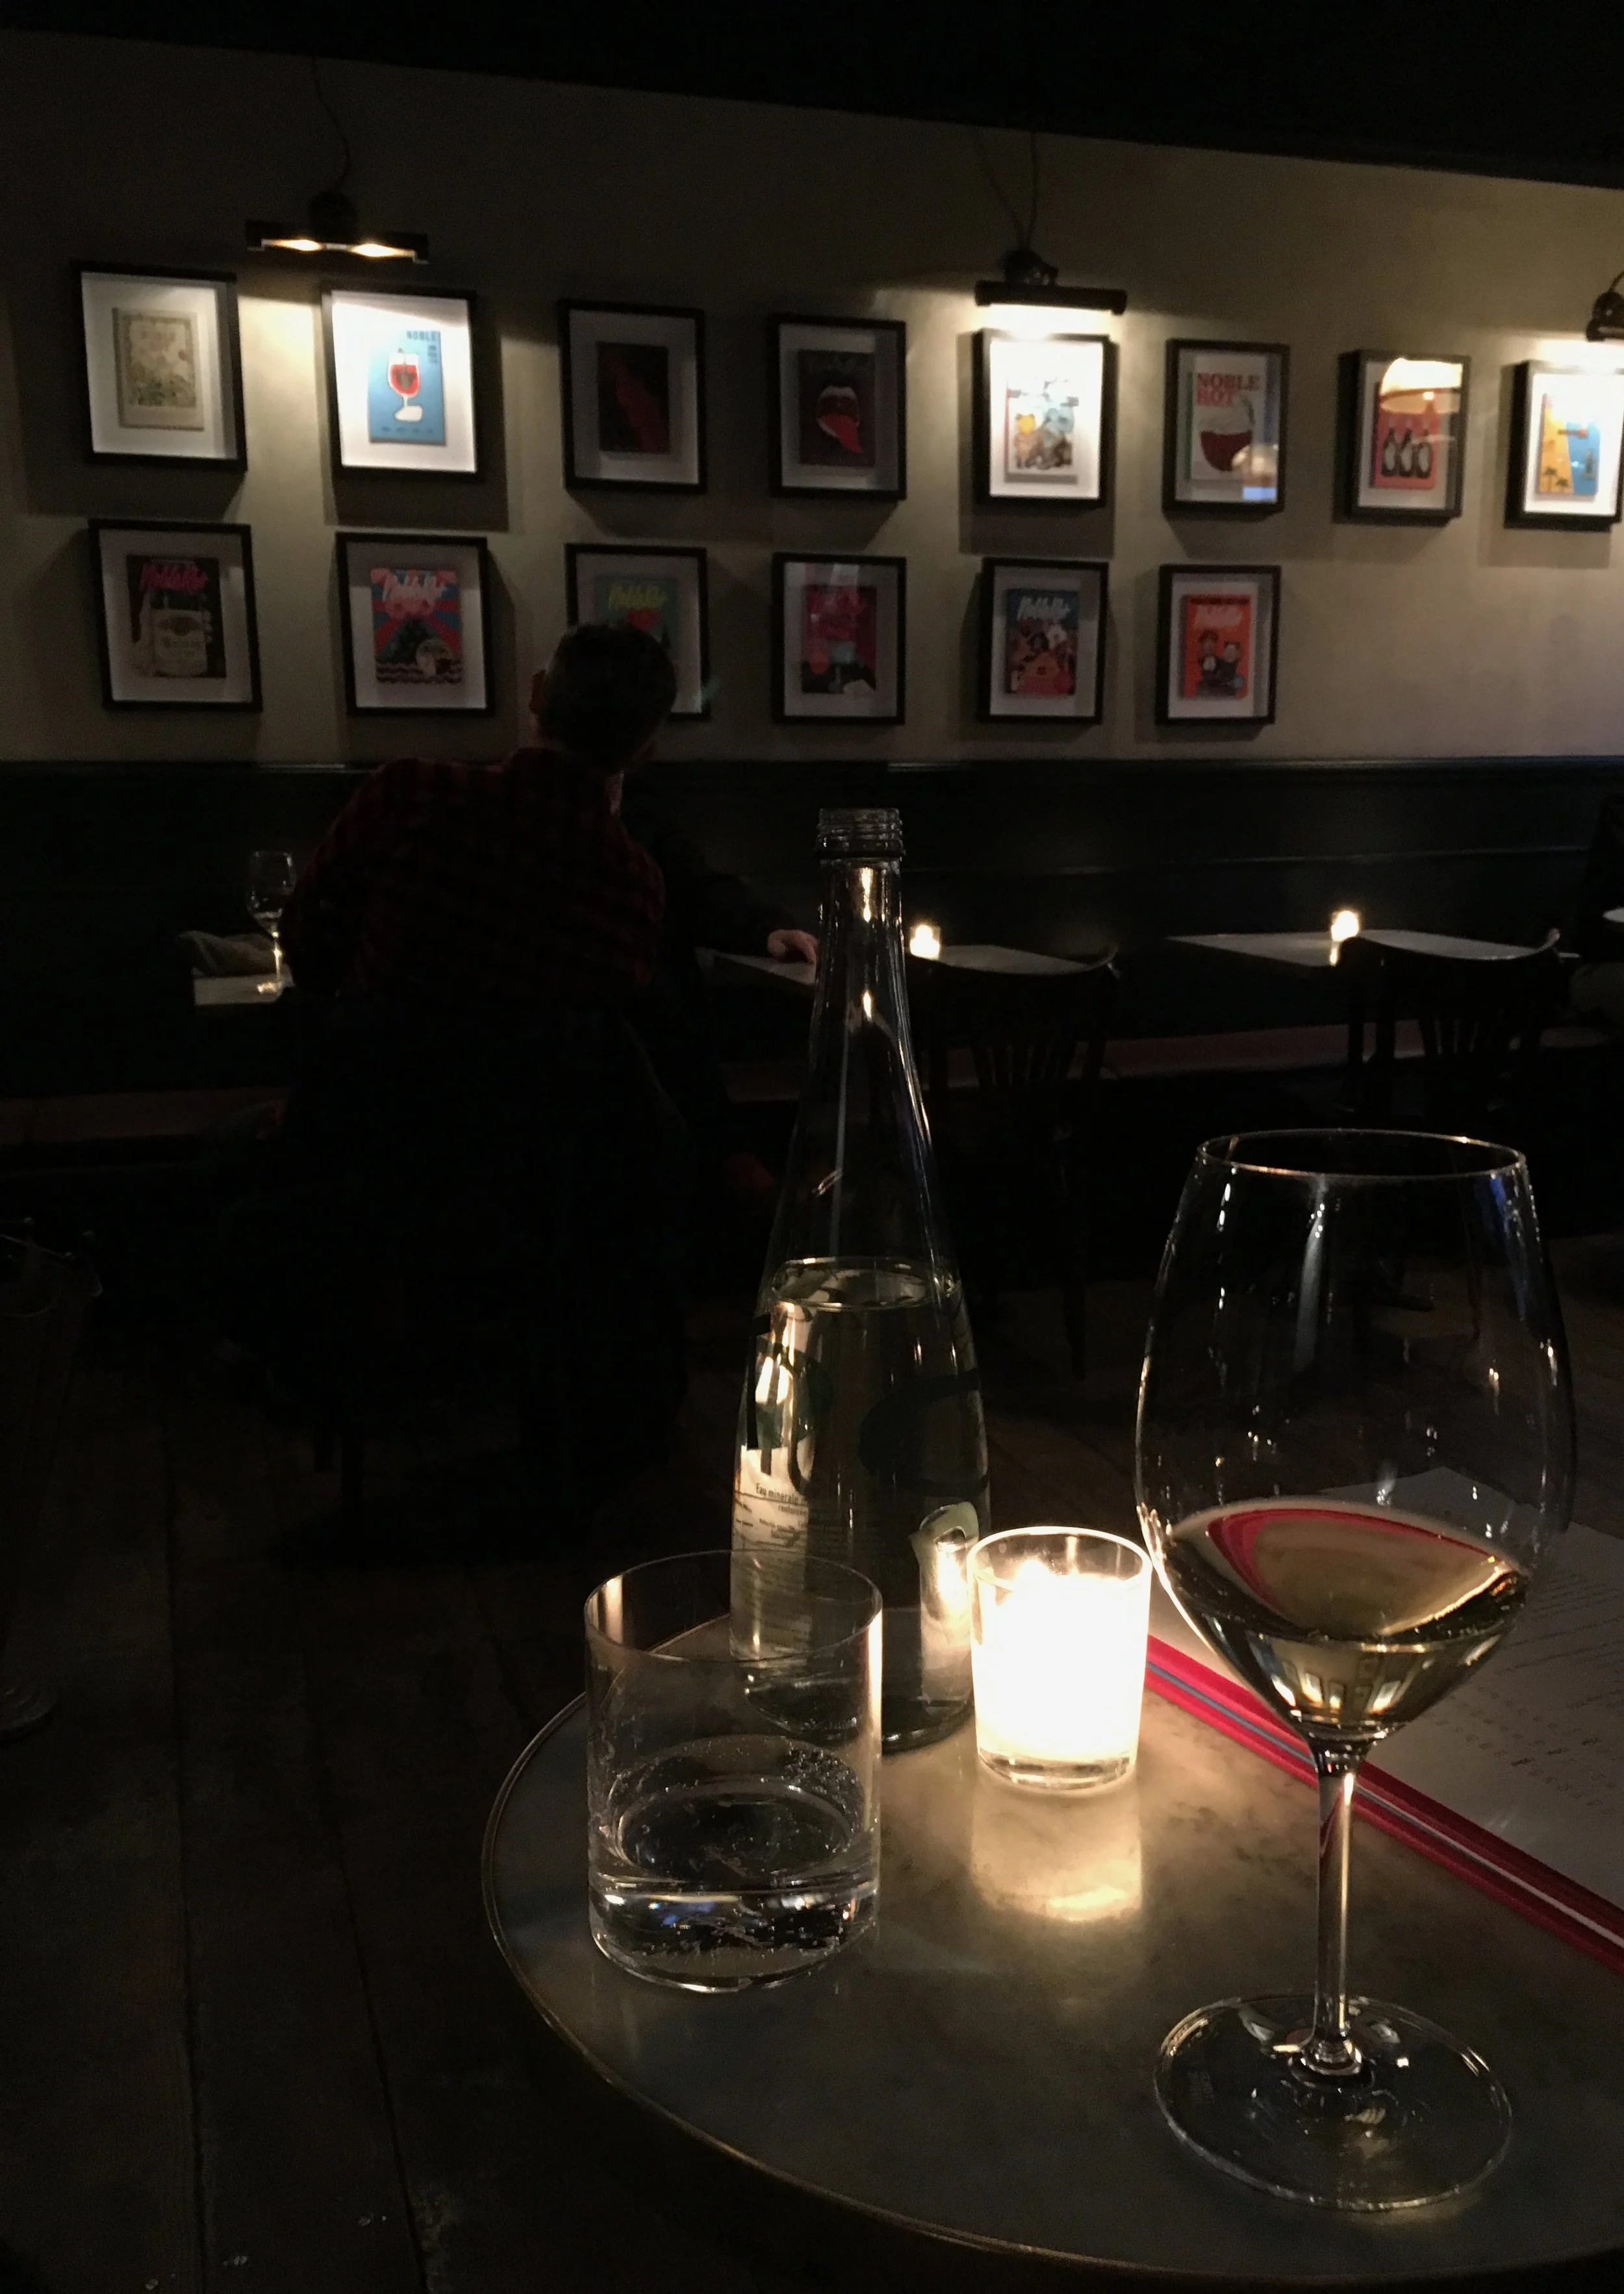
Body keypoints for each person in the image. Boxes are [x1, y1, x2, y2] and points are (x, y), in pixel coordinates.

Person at [281, 620, 675, 1010]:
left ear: (537, 694)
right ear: (643, 754)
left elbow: (303, 938)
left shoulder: (408, 793)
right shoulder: (637, 888)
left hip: (383, 1068)